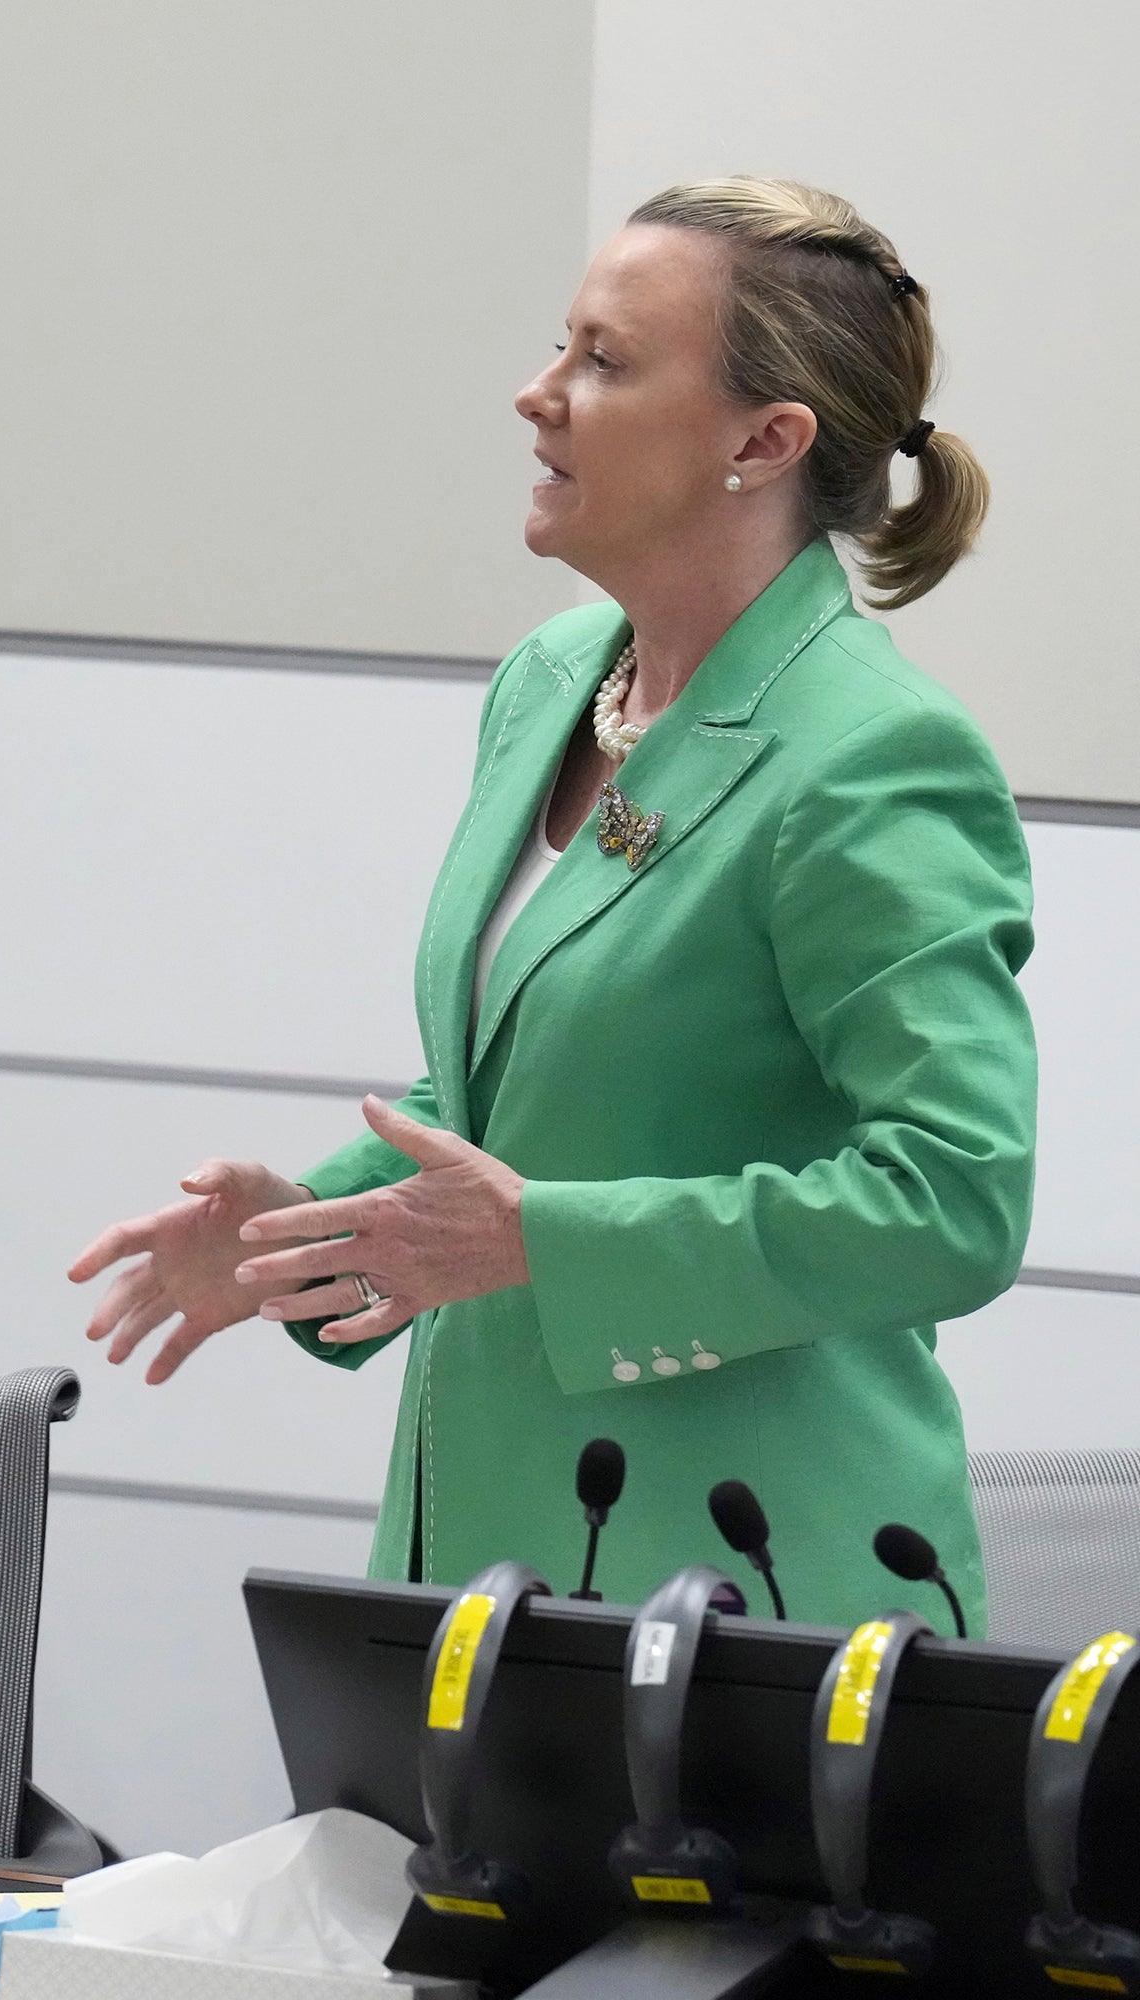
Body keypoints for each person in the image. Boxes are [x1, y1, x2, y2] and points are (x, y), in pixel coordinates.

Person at [69, 178, 1031, 1630]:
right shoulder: (553, 679)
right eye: (560, 345)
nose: (538, 395)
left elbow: (955, 1200)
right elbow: (518, 1091)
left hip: (755, 1584)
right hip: (484, 1542)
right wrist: (312, 1230)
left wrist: (553, 1247)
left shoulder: (875, 755)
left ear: (762, 443)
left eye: (605, 360)